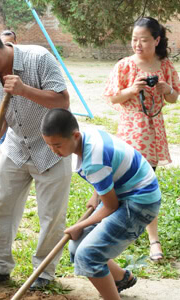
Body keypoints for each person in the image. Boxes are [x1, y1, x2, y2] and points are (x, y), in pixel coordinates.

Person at [0, 29, 71, 288]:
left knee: (51, 215)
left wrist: (23, 89)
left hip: (52, 148)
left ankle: (42, 272)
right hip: (17, 146)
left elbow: (62, 101)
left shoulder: (38, 58)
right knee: (1, 206)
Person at [41, 108, 161, 300]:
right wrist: (98, 193)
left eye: (57, 145)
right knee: (76, 247)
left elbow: (111, 206)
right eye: (49, 145)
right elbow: (110, 169)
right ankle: (122, 279)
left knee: (88, 255)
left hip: (140, 202)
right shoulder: (89, 136)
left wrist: (79, 225)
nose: (54, 151)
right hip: (126, 191)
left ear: (75, 135)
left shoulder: (93, 162)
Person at [104, 17, 179, 262]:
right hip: (130, 131)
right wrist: (132, 90)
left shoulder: (165, 65)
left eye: (144, 40)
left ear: (157, 40)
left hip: (153, 131)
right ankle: (113, 233)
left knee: (148, 185)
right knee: (120, 183)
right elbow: (113, 98)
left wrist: (166, 89)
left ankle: (153, 240)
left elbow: (173, 98)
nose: (137, 44)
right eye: (134, 39)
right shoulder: (124, 66)